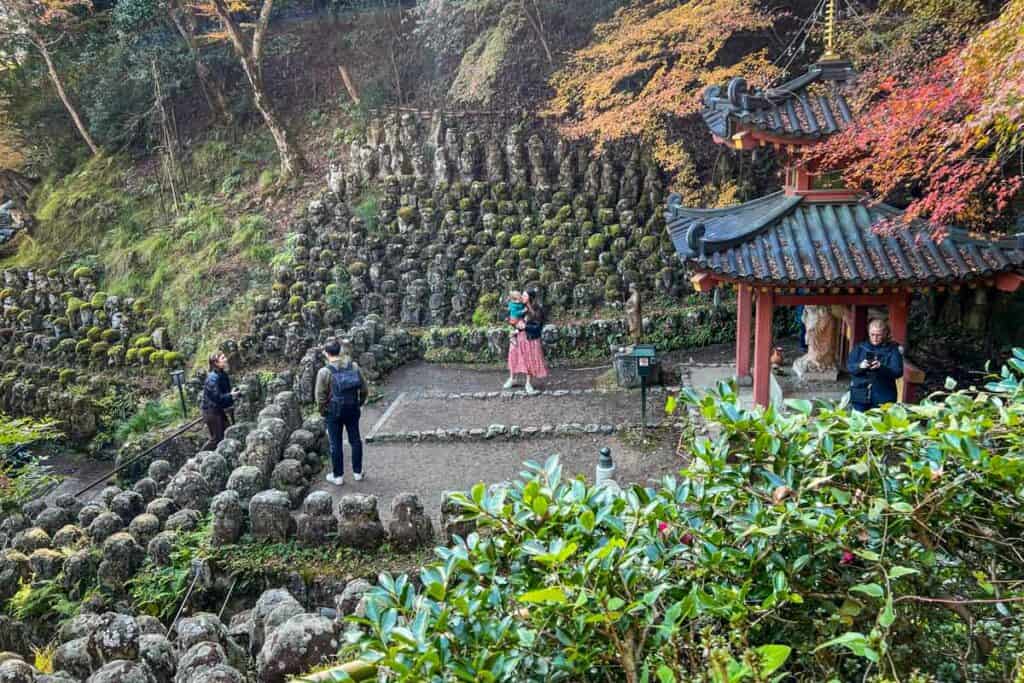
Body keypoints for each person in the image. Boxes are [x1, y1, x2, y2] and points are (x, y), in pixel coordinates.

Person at [315, 338, 368, 486]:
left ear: (326, 353)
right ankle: (357, 472)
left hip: (334, 412)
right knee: (355, 440)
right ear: (340, 351)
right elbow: (364, 389)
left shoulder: (324, 372)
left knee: (335, 443)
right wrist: (359, 403)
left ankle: (338, 476)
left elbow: (320, 397)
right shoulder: (354, 366)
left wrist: (324, 412)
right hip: (352, 408)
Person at [846, 319, 903, 411]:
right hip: (860, 394)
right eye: (872, 335)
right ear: (868, 333)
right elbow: (849, 367)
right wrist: (860, 366)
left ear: (885, 334)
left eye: (878, 335)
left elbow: (898, 372)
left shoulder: (893, 350)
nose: (875, 338)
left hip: (883, 395)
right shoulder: (860, 347)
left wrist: (881, 367)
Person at [504, 287, 549, 394]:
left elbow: (538, 328)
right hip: (518, 336)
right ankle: (512, 378)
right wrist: (511, 323)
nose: (521, 297)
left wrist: (525, 327)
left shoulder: (537, 309)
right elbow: (511, 317)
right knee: (513, 356)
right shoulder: (520, 306)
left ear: (530, 298)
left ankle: (528, 383)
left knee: (529, 360)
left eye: (524, 295)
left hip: (530, 338)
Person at [200, 352, 239, 451]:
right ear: (216, 363)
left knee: (227, 433)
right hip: (211, 412)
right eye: (222, 358)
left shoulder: (222, 374)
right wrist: (230, 395)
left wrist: (232, 395)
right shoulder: (212, 378)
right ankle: (199, 458)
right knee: (217, 439)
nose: (225, 359)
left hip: (218, 410)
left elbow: (225, 392)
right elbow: (217, 397)